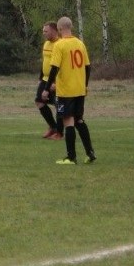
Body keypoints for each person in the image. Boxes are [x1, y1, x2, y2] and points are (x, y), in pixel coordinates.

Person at [43, 16, 96, 165]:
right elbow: (87, 67)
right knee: (79, 120)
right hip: (80, 89)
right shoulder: (80, 43)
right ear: (71, 27)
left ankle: (71, 157)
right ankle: (90, 152)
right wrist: (85, 85)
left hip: (66, 91)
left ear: (59, 29)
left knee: (68, 121)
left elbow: (54, 68)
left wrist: (47, 88)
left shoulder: (60, 45)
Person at [36, 21, 62, 140]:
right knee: (40, 102)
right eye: (43, 31)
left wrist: (56, 83)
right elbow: (44, 62)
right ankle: (53, 127)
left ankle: (60, 132)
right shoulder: (46, 44)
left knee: (59, 106)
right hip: (45, 80)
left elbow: (60, 65)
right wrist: (41, 78)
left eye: (46, 31)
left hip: (57, 81)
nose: (44, 33)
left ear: (53, 30)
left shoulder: (60, 44)